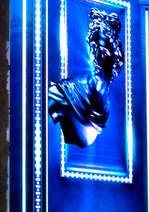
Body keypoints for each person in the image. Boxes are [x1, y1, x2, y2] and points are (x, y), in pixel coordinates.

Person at [48, 8, 124, 148]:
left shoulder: (109, 107)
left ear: (115, 59)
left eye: (103, 51)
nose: (96, 57)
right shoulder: (63, 92)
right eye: (93, 48)